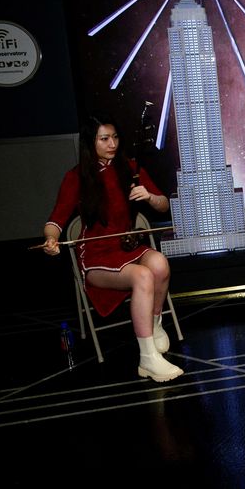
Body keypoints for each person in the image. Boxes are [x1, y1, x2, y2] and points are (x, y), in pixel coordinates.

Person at [43, 115, 183, 382]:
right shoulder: (77, 177)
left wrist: (149, 197)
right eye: (104, 138)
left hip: (126, 247)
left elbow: (164, 204)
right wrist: (51, 240)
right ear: (90, 142)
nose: (112, 144)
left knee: (160, 264)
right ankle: (148, 359)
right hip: (96, 256)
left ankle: (154, 325)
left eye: (115, 137)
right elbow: (56, 221)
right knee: (143, 276)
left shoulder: (130, 168)